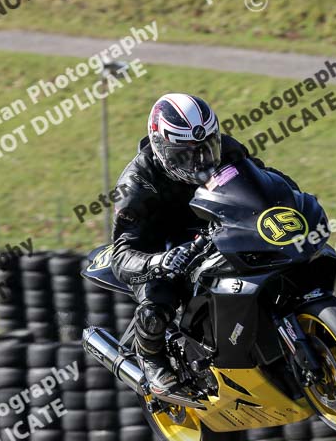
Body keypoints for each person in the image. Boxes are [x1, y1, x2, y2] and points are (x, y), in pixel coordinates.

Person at [111, 92, 299, 398]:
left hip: (215, 228)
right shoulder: (135, 185)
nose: (200, 160)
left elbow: (261, 180)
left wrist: (289, 193)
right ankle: (150, 358)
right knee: (157, 300)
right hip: (163, 247)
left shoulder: (226, 149)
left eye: (206, 147)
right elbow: (120, 254)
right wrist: (157, 261)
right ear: (162, 148)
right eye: (186, 154)